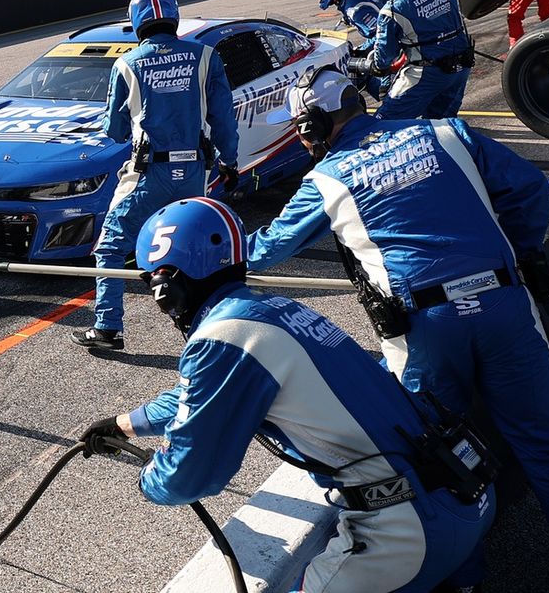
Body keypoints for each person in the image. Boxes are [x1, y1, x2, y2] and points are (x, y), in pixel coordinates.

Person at [244, 69, 549, 593]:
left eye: (300, 126)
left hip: (425, 329)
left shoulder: (328, 178)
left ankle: (464, 581)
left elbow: (266, 249)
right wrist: (521, 252)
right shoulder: (449, 131)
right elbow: (526, 189)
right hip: (503, 304)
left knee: (436, 462)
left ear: (314, 123)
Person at [81, 197, 495, 592]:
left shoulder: (222, 337)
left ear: (166, 285)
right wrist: (124, 425)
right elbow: (204, 395)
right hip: (463, 491)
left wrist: (148, 477)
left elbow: (189, 476)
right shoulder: (267, 311)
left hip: (407, 528)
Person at [71, 0, 239, 350]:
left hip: (148, 174)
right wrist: (230, 161)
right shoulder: (205, 55)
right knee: (195, 250)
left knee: (110, 247)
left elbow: (115, 131)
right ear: (174, 17)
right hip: (194, 171)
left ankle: (107, 327)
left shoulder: (126, 64)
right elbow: (224, 117)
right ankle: (211, 329)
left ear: (136, 22)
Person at [348, 0, 474, 119]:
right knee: (442, 123)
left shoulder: (392, 10)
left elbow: (385, 57)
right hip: (462, 68)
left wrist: (374, 66)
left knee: (384, 123)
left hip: (426, 75)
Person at [305, 0, 389, 98]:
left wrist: (359, 51)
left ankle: (387, 99)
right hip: (398, 27)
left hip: (394, 46)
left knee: (357, 69)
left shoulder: (355, 10)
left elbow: (381, 36)